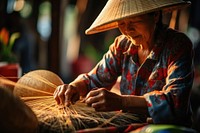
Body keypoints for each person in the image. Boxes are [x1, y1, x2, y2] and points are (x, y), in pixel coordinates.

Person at [54, 0, 194, 127]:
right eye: (122, 23)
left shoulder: (177, 45)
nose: (127, 30)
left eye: (135, 21)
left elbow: (175, 103)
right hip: (129, 125)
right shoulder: (122, 45)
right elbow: (94, 79)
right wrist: (74, 87)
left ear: (155, 15)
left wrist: (122, 102)